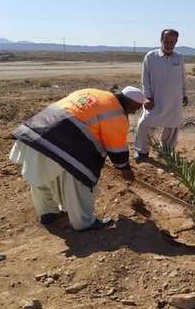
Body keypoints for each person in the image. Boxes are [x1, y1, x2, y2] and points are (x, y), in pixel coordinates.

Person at [9, 86, 146, 231]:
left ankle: (48, 213)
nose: (135, 112)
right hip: (64, 141)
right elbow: (116, 148)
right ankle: (84, 223)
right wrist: (125, 169)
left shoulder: (92, 92)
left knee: (40, 175)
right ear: (130, 102)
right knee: (78, 182)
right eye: (136, 108)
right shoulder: (116, 114)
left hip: (37, 131)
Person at [133, 29, 187, 160]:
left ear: (176, 41)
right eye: (166, 41)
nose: (169, 44)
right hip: (155, 98)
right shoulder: (151, 56)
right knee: (145, 123)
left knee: (172, 126)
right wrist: (147, 97)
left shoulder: (179, 57)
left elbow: (182, 77)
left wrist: (184, 94)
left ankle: (166, 153)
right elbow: (145, 78)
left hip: (174, 100)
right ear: (161, 40)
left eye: (172, 41)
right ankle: (142, 151)